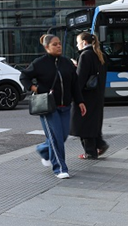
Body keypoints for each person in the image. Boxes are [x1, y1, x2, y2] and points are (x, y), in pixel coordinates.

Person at [20, 34, 86, 179]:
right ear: (46, 47)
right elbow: (24, 76)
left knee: (62, 136)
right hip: (48, 107)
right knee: (56, 138)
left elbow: (74, 84)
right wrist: (35, 88)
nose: (58, 46)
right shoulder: (39, 63)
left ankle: (44, 150)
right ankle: (60, 168)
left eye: (59, 44)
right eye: (55, 44)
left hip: (65, 106)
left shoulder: (67, 63)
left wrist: (80, 101)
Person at [70, 32, 109, 159]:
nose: (77, 45)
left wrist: (75, 94)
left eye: (78, 42)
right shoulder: (99, 54)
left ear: (84, 42)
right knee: (93, 122)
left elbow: (80, 78)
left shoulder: (85, 55)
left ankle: (90, 152)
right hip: (97, 94)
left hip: (85, 95)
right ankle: (100, 144)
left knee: (83, 123)